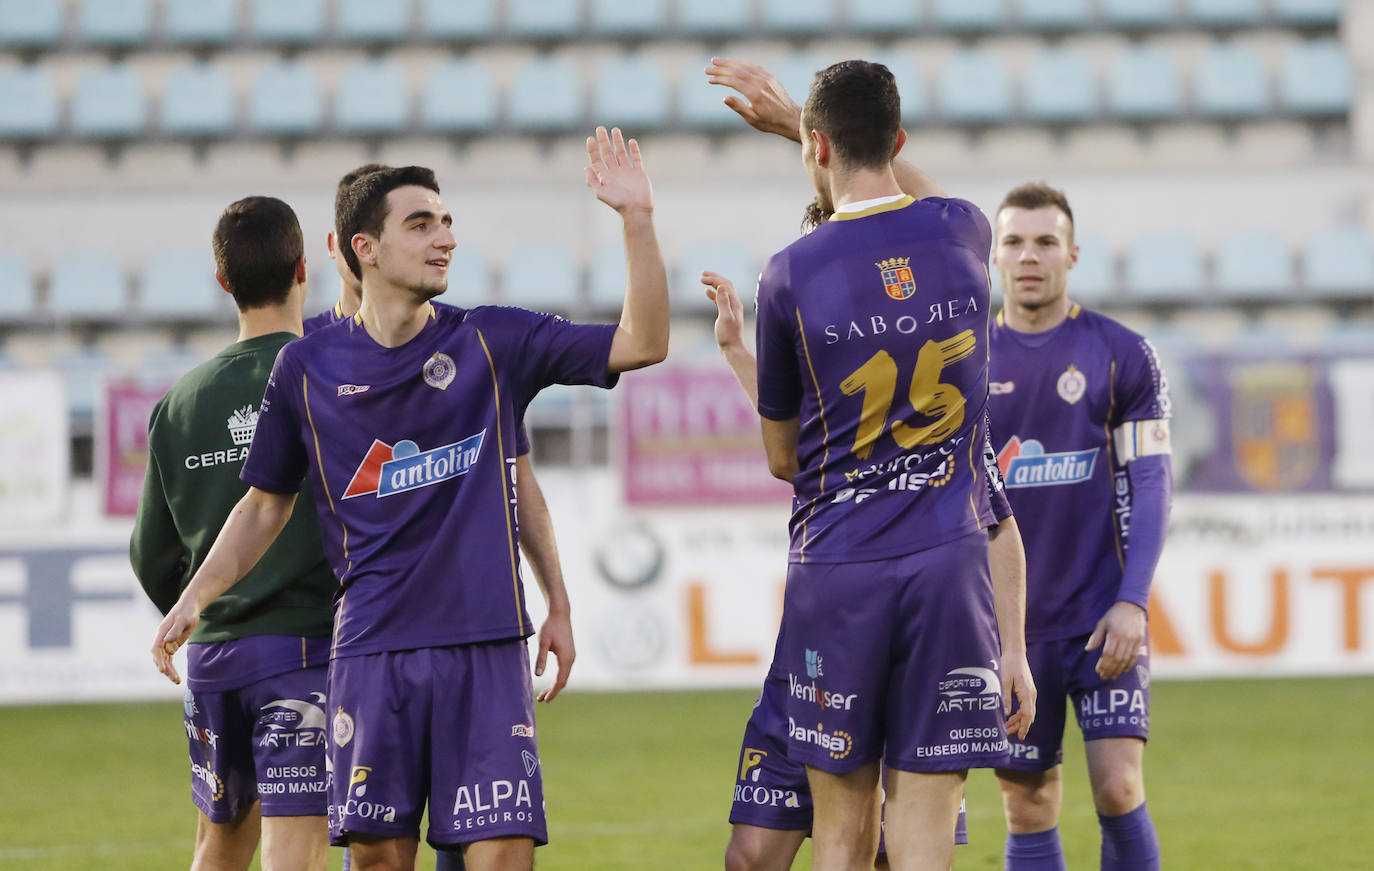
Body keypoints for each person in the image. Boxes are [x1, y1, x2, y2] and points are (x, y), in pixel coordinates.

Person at [150, 128, 668, 871]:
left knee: (500, 859)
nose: (445, 237)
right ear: (364, 247)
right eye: (421, 223)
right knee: (380, 861)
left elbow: (642, 341)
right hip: (370, 654)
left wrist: (637, 222)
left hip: (485, 648)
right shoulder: (306, 367)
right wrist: (193, 598)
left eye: (448, 220)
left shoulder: (494, 340)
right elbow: (265, 504)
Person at [716, 59, 1036, 871]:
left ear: (816, 147)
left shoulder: (791, 271)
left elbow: (783, 456)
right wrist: (805, 124)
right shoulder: (964, 231)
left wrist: (806, 134)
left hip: (841, 567)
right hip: (949, 562)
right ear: (897, 137)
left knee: (844, 829)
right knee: (926, 835)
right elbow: (924, 196)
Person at [705, 269, 1023, 871]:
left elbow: (999, 522)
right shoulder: (823, 365)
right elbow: (786, 449)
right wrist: (736, 353)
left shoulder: (942, 416)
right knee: (749, 857)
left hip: (912, 632)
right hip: (818, 638)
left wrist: (1013, 650)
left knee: (880, 850)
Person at [131, 196, 335, 871]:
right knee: (294, 848)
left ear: (223, 282)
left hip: (215, 655)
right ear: (306, 267)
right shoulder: (332, 376)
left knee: (219, 846)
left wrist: (209, 605)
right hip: (306, 647)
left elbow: (152, 553)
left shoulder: (180, 402)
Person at [989, 183, 1169, 871]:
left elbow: (1152, 481)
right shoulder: (965, 361)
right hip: (1011, 633)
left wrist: (1133, 601)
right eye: (1013, 241)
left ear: (1072, 253)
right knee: (1028, 802)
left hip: (1102, 621)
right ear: (995, 257)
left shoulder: (1122, 354)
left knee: (1119, 787)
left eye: (1044, 241)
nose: (1029, 255)